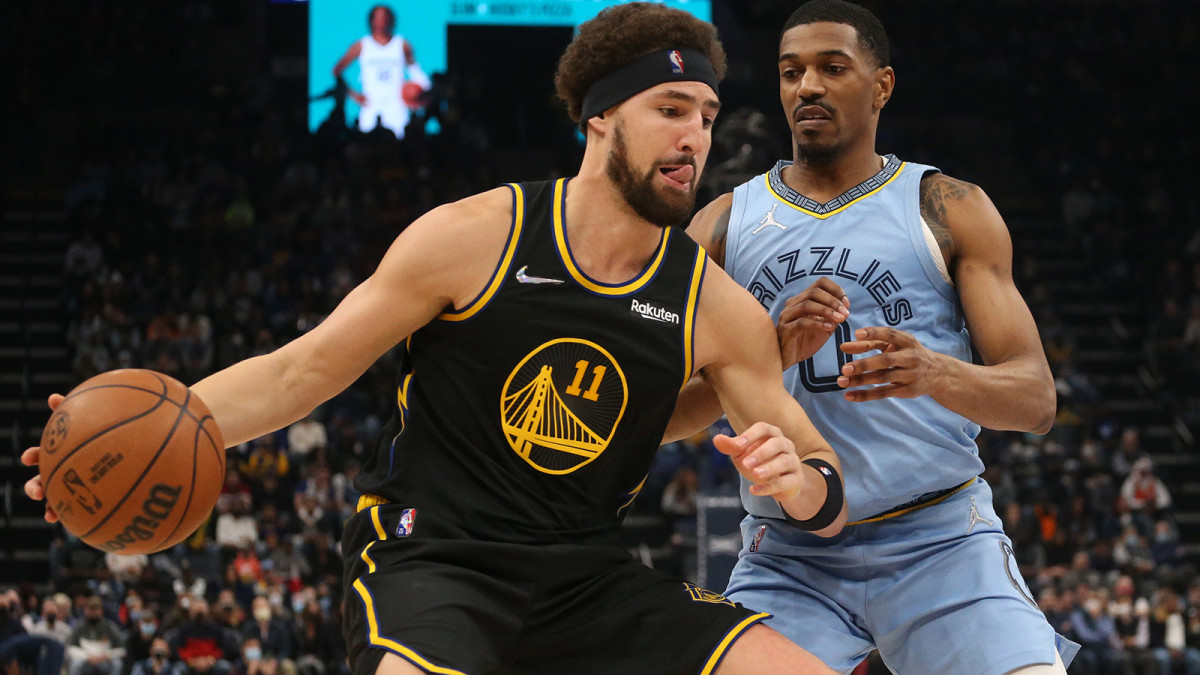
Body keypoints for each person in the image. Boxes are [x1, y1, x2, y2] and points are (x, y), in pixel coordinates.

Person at [24, 4, 846, 674]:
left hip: (588, 577)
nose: (695, 137)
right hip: (433, 558)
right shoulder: (473, 237)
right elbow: (297, 372)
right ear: (599, 119)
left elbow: (823, 480)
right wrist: (126, 433)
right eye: (670, 111)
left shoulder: (713, 304)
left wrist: (800, 485)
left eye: (705, 116)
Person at [679, 1, 1080, 672]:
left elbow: (1036, 400)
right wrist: (764, 356)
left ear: (882, 85)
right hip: (789, 551)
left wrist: (937, 373)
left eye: (833, 68)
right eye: (791, 72)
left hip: (941, 540)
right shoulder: (721, 225)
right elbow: (658, 417)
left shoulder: (949, 208)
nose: (807, 86)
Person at [331, 5, 431, 139]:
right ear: (371, 20)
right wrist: (353, 95)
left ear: (391, 20)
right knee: (367, 146)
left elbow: (415, 71)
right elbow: (337, 70)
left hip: (397, 106)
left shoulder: (402, 44)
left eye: (385, 17)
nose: (381, 21)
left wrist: (421, 92)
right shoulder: (362, 45)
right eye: (377, 18)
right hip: (371, 105)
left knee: (397, 147)